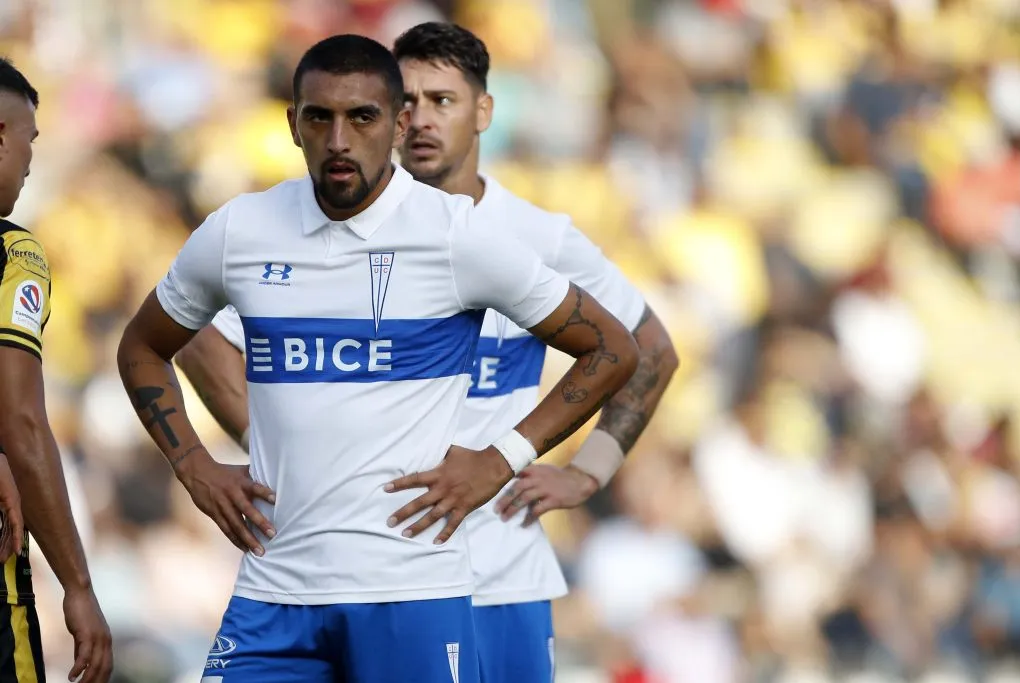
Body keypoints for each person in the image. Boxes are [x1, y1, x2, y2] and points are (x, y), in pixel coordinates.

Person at [117, 35, 638, 683]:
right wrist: (193, 463)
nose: (339, 139)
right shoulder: (238, 231)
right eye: (319, 117)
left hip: (411, 593)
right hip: (273, 592)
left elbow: (614, 347)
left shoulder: (453, 235)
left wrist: (503, 458)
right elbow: (145, 344)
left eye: (361, 117)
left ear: (396, 126)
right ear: (292, 125)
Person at [0, 57, 112, 683]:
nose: (32, 161)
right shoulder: (14, 253)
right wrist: (77, 584)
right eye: (30, 140)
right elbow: (19, 418)